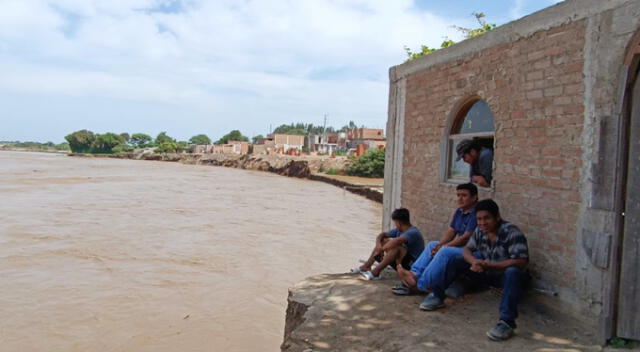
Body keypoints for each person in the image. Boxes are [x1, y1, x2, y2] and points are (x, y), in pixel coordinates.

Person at [419, 199, 529, 341]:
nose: (483, 223)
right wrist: (474, 262)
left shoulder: (512, 232)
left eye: (487, 218)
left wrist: (491, 265)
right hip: (486, 272)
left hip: (505, 276)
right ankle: (437, 295)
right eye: (479, 219)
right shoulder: (480, 231)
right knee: (453, 258)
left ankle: (506, 323)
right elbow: (467, 249)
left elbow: (521, 261)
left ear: (497, 216)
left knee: (513, 272)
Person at [394, 183, 478, 295]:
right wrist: (440, 245)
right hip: (460, 247)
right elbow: (451, 231)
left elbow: (465, 238)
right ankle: (414, 274)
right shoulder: (459, 211)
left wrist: (443, 247)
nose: (460, 199)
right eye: (458, 195)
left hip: (472, 251)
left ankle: (420, 285)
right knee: (432, 245)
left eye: (464, 195)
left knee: (444, 250)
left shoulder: (477, 214)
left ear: (474, 197)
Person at [356, 208, 425, 281]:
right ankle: (366, 266)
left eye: (395, 222)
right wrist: (378, 246)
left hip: (412, 266)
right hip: (402, 262)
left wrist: (381, 250)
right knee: (383, 241)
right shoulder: (399, 230)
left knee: (397, 247)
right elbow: (381, 235)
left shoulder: (413, 232)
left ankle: (375, 272)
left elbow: (396, 241)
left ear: (399, 223)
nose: (395, 225)